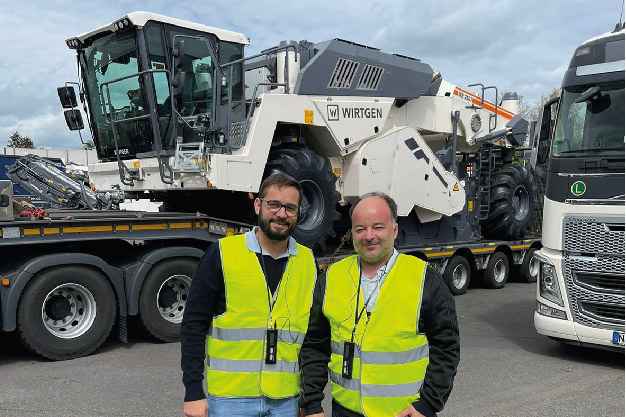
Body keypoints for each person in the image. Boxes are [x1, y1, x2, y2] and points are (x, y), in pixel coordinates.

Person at [298, 192, 460, 417]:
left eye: (378, 227)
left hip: (403, 413)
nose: (369, 236)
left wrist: (428, 405)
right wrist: (313, 402)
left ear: (394, 230)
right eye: (360, 229)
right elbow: (315, 344)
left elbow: (446, 347)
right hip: (345, 411)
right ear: (352, 233)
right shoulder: (332, 277)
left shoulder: (425, 279)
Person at [181, 173, 318, 417]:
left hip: (285, 399)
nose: (281, 214)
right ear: (258, 205)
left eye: (290, 208)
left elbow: (310, 340)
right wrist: (193, 392)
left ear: (298, 213)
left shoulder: (308, 262)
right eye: (273, 204)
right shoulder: (222, 254)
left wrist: (309, 398)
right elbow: (193, 325)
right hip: (230, 399)